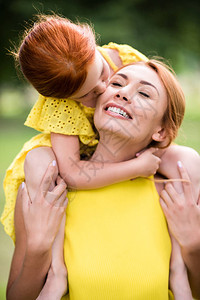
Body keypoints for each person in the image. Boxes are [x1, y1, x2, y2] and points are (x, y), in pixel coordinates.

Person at [5, 61, 199, 299]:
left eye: (144, 93)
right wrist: (37, 248)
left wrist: (193, 246)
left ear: (160, 131)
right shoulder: (49, 191)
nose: (123, 93)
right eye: (116, 83)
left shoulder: (173, 196)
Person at [2, 13, 199, 243]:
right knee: (40, 163)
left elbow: (158, 107)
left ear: (93, 43)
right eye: (90, 94)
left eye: (105, 74)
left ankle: (183, 247)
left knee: (186, 160)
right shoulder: (61, 105)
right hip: (78, 155)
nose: (105, 88)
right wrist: (135, 167)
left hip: (126, 140)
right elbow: (72, 173)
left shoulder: (123, 57)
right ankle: (55, 262)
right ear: (63, 98)